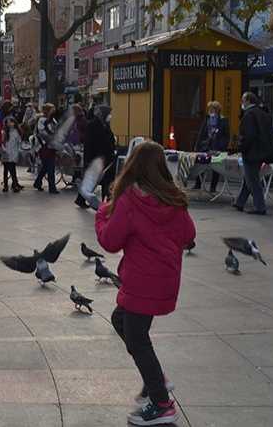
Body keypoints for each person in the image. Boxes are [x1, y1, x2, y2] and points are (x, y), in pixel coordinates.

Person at [95, 141, 196, 426]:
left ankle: (162, 403)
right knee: (120, 320)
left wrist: (102, 215)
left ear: (133, 165)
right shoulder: (173, 198)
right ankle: (156, 379)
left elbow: (110, 241)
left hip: (141, 281)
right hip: (164, 280)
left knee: (137, 338)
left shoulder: (131, 200)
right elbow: (188, 235)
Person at [234, 92, 273, 215]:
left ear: (248, 100)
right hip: (262, 151)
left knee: (252, 180)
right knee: (249, 177)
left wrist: (241, 147)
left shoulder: (249, 115)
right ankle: (240, 202)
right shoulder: (263, 113)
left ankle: (260, 207)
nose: (241, 102)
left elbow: (248, 135)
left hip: (252, 152)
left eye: (243, 100)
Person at [77, 105, 117, 207]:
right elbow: (89, 143)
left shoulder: (105, 124)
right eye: (109, 114)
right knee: (95, 180)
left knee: (105, 179)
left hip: (105, 157)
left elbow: (109, 138)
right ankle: (82, 199)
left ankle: (105, 200)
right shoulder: (92, 125)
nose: (110, 116)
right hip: (96, 158)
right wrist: (89, 160)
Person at [193, 101, 230, 193]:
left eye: (212, 109)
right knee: (201, 164)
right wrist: (197, 145)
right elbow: (201, 133)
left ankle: (213, 187)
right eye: (209, 109)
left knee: (216, 166)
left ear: (217, 110)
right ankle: (198, 183)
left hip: (217, 147)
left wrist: (222, 146)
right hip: (206, 146)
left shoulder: (223, 120)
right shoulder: (207, 119)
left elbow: (226, 136)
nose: (210, 111)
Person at [34, 103, 59, 194]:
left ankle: (37, 182)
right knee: (50, 166)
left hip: (52, 145)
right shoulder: (42, 120)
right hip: (44, 146)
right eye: (52, 109)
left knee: (46, 166)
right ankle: (52, 187)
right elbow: (42, 132)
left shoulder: (53, 120)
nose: (54, 111)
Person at [0, 116, 24, 193]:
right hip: (6, 153)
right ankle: (6, 185)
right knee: (6, 170)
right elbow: (2, 142)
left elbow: (19, 142)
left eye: (11, 122)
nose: (10, 124)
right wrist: (4, 150)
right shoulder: (4, 132)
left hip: (14, 153)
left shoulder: (17, 132)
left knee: (12, 170)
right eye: (8, 122)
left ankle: (14, 185)